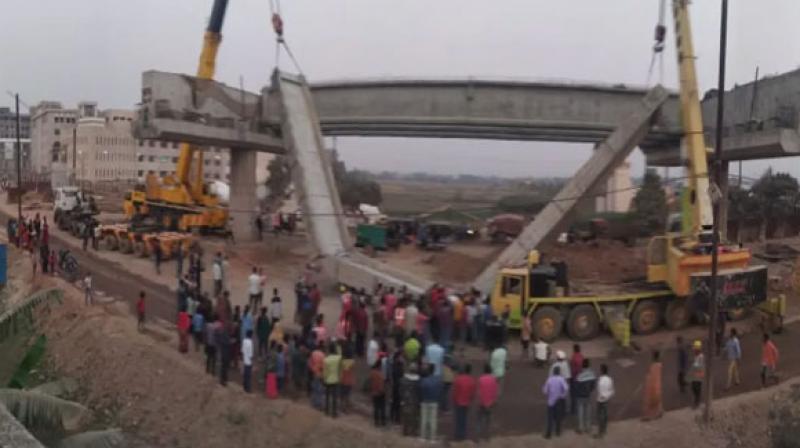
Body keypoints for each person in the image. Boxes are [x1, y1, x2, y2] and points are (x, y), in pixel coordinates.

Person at [543, 365, 569, 439]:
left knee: (550, 418)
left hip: (550, 402)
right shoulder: (561, 379)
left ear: (553, 372)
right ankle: (558, 432)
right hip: (558, 401)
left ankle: (549, 434)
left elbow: (545, 391)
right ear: (559, 372)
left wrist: (549, 393)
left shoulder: (549, 379)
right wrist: (562, 395)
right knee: (558, 417)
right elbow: (566, 388)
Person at [452, 364, 476, 441]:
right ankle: (463, 434)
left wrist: (454, 399)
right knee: (464, 418)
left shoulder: (458, 379)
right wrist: (470, 400)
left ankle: (458, 434)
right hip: (467, 402)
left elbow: (455, 391)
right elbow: (472, 393)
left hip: (458, 402)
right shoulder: (472, 380)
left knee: (459, 418)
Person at [419, 364, 442, 441]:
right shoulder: (437, 380)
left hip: (425, 401)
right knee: (433, 421)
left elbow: (421, 390)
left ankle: (423, 437)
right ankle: (432, 438)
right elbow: (439, 391)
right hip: (434, 401)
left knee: (424, 420)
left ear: (428, 370)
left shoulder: (424, 380)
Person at [477, 363, 499, 441]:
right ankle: (487, 437)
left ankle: (478, 436)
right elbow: (495, 391)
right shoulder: (493, 379)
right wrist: (494, 401)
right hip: (490, 403)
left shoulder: (481, 379)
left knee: (479, 420)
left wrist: (480, 401)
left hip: (482, 402)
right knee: (488, 421)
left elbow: (479, 392)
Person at [575, 358, 597, 434]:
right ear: (589, 365)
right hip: (587, 395)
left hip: (580, 396)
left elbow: (576, 386)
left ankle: (581, 428)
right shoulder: (592, 374)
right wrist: (589, 391)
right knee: (588, 411)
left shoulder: (579, 375)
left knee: (580, 412)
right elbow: (593, 386)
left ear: (582, 365)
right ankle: (588, 427)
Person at [400, 363, 421, 436]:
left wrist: (402, 398)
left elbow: (401, 390)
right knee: (415, 417)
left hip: (406, 400)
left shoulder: (404, 379)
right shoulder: (418, 380)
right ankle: (414, 432)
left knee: (406, 416)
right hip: (414, 400)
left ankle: (405, 431)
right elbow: (419, 391)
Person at [642, 350, 664, 420]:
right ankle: (659, 412)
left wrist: (647, 377)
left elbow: (651, 376)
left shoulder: (654, 365)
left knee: (651, 400)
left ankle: (649, 416)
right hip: (657, 384)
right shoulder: (659, 364)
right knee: (657, 399)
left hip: (653, 385)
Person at [323, 342, 342, 418]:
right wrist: (339, 377)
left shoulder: (326, 359)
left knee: (327, 396)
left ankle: (327, 411)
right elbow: (340, 369)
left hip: (328, 379)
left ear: (329, 350)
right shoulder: (338, 358)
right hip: (336, 379)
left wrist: (324, 378)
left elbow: (325, 371)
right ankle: (334, 413)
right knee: (334, 397)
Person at [596, 364, 614, 438]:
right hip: (607, 399)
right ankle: (604, 429)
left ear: (602, 371)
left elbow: (599, 390)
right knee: (605, 415)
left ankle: (600, 432)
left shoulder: (600, 380)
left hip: (600, 400)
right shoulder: (610, 379)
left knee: (600, 416)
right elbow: (612, 390)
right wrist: (607, 396)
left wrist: (603, 396)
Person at [370, 360, 387, 427]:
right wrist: (382, 391)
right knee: (382, 408)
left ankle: (376, 422)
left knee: (376, 408)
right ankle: (383, 422)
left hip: (374, 392)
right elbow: (381, 385)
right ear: (379, 366)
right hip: (380, 393)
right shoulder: (380, 374)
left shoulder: (372, 373)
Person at [569, 344, 584, 415]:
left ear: (574, 349)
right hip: (581, 378)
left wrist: (571, 378)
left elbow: (572, 369)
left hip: (574, 378)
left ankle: (573, 410)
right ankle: (580, 408)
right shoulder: (581, 356)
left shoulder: (573, 357)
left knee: (573, 395)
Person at [340, 345, 355, 413]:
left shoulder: (343, 362)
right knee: (347, 395)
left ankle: (343, 407)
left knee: (343, 395)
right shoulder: (352, 362)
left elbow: (342, 370)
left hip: (343, 380)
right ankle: (346, 408)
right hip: (350, 380)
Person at [689, 341, 705, 408]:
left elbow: (699, 366)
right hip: (695, 374)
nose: (694, 350)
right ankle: (696, 401)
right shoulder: (696, 355)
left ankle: (697, 402)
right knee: (693, 388)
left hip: (698, 374)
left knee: (697, 388)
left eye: (695, 349)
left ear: (698, 349)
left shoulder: (701, 356)